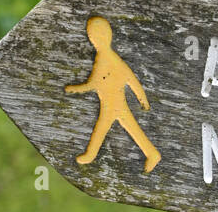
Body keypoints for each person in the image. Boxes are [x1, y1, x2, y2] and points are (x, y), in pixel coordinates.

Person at [65, 15, 161, 173]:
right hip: (113, 104)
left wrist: (75, 89)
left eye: (96, 35)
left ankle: (91, 154)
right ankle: (152, 154)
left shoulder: (107, 58)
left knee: (105, 128)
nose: (95, 39)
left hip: (113, 104)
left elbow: (97, 83)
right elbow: (127, 80)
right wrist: (142, 100)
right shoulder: (105, 57)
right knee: (128, 128)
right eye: (93, 36)